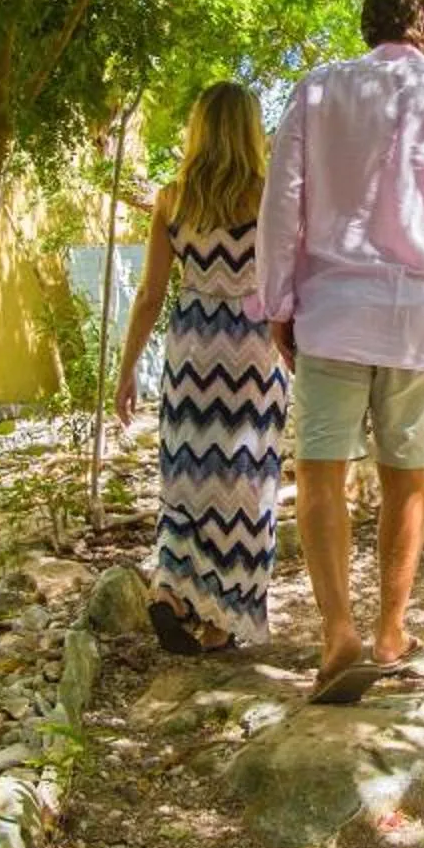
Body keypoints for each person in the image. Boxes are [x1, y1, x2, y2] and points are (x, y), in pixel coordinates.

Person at [252, 0, 424, 704]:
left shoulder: (316, 92)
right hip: (419, 319)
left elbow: (282, 202)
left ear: (364, 26)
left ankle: (338, 633)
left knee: (319, 472)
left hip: (331, 313)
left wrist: (277, 301)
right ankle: (392, 632)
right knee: (408, 477)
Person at [114, 82, 290, 653]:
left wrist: (126, 369)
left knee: (187, 476)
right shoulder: (269, 199)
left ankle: (170, 592)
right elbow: (289, 285)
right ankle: (223, 622)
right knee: (246, 479)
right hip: (254, 349)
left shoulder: (173, 199)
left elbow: (148, 295)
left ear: (197, 130)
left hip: (193, 350)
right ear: (248, 130)